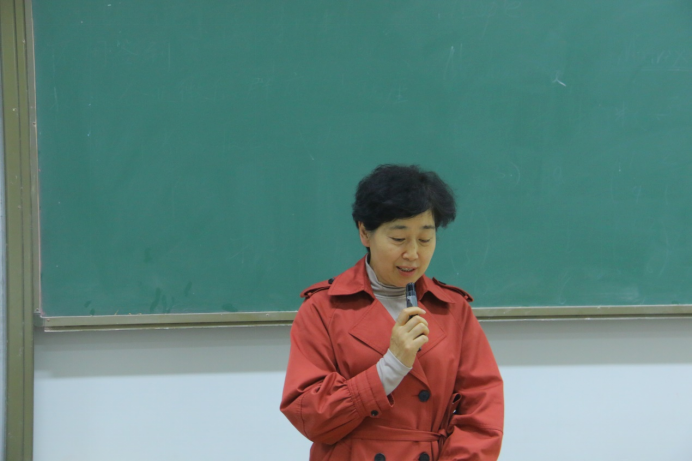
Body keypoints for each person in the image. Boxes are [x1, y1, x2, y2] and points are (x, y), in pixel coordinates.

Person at [281, 165, 504, 461]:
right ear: (365, 232)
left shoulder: (452, 308)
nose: (413, 254)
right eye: (399, 239)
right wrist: (391, 367)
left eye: (425, 239)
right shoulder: (324, 308)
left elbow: (482, 414)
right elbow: (310, 416)